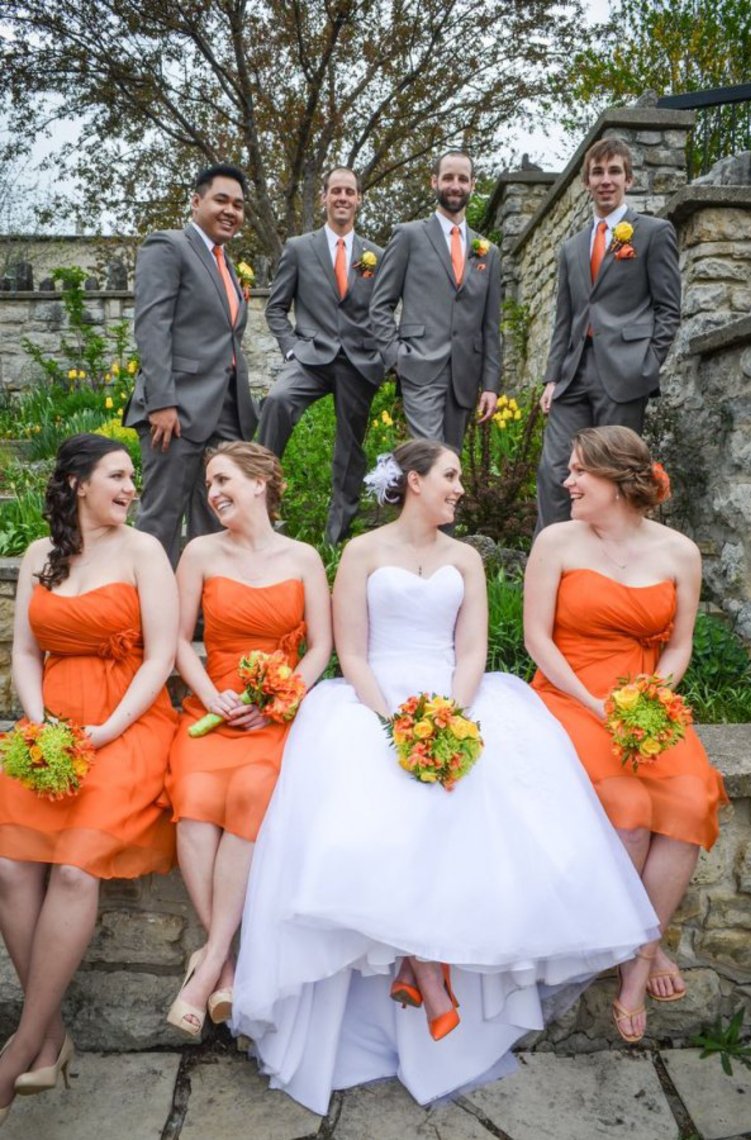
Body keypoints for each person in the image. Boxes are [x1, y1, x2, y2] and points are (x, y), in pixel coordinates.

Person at [231, 439, 659, 1114]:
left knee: (471, 809)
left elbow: (471, 649)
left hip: (455, 699)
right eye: (451, 476)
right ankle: (426, 974)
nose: (461, 488)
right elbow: (352, 652)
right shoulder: (364, 553)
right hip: (372, 703)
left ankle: (421, 968)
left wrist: (448, 719)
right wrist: (394, 725)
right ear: (414, 482)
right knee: (389, 809)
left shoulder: (466, 559)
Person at [526, 425, 728, 1043]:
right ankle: (641, 951)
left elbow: (680, 644)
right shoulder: (556, 541)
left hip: (645, 700)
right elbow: (537, 638)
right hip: (568, 693)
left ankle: (640, 950)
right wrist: (593, 703)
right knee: (630, 811)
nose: (568, 482)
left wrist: (653, 696)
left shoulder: (678, 552)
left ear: (616, 482)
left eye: (579, 471)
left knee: (692, 800)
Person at [0, 434, 177, 1124]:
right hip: (51, 725)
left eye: (132, 476)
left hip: (127, 723)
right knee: (12, 866)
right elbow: (23, 651)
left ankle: (18, 1050)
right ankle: (50, 1036)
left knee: (75, 870)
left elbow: (161, 655)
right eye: (118, 475)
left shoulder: (144, 552)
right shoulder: (40, 555)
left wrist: (105, 731)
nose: (131, 487)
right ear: (78, 483)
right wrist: (37, 723)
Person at [164, 442, 331, 1038]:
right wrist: (211, 696)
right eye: (209, 484)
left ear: (261, 482)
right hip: (213, 704)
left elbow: (321, 649)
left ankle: (206, 964)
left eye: (224, 479)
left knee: (254, 790)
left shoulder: (304, 557)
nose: (213, 493)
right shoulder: (200, 552)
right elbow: (180, 640)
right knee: (194, 795)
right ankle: (225, 962)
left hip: (275, 712)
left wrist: (279, 698)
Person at [535, 137, 681, 531]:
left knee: (613, 475)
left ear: (628, 179)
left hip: (624, 373)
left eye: (614, 171)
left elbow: (668, 309)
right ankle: (554, 563)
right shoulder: (571, 248)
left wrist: (646, 366)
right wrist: (552, 377)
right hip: (573, 374)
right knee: (554, 471)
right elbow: (564, 319)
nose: (605, 180)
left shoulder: (653, 233)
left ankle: (610, 569)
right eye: (597, 172)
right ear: (586, 182)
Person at [125, 162, 258, 566]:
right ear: (196, 201)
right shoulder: (168, 246)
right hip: (177, 410)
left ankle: (201, 610)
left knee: (215, 515)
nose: (230, 210)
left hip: (226, 412)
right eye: (221, 200)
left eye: (238, 204)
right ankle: (150, 613)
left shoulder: (227, 264)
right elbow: (152, 327)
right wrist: (161, 402)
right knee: (162, 516)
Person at [259, 167, 385, 545]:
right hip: (310, 356)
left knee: (350, 447)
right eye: (336, 191)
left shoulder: (376, 256)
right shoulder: (299, 248)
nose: (343, 197)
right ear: (324, 198)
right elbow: (275, 308)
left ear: (359, 198)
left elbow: (383, 311)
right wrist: (292, 347)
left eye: (350, 191)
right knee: (277, 401)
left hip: (358, 360)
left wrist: (382, 355)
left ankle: (337, 539)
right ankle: (260, 501)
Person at [369, 152, 501, 450]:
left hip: (465, 375)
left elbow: (491, 324)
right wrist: (396, 358)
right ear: (434, 182)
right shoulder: (408, 236)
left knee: (451, 460)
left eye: (463, 179)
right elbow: (380, 305)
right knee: (429, 456)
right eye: (449, 178)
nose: (456, 185)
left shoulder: (488, 252)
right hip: (419, 367)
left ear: (472, 185)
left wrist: (491, 384)